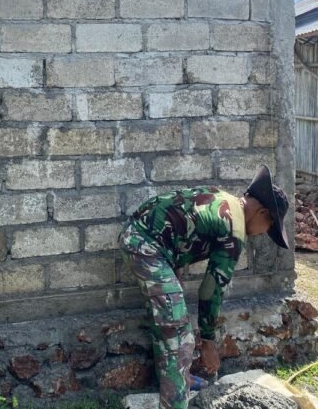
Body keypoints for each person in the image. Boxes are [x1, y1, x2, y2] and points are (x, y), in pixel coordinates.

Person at [118, 164, 289, 409]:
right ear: (262, 213)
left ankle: (177, 381)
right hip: (145, 246)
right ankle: (175, 401)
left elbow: (180, 222)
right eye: (269, 228)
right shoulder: (234, 229)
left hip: (146, 241)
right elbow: (211, 290)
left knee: (169, 321)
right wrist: (208, 342)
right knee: (178, 332)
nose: (263, 234)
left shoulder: (225, 199)